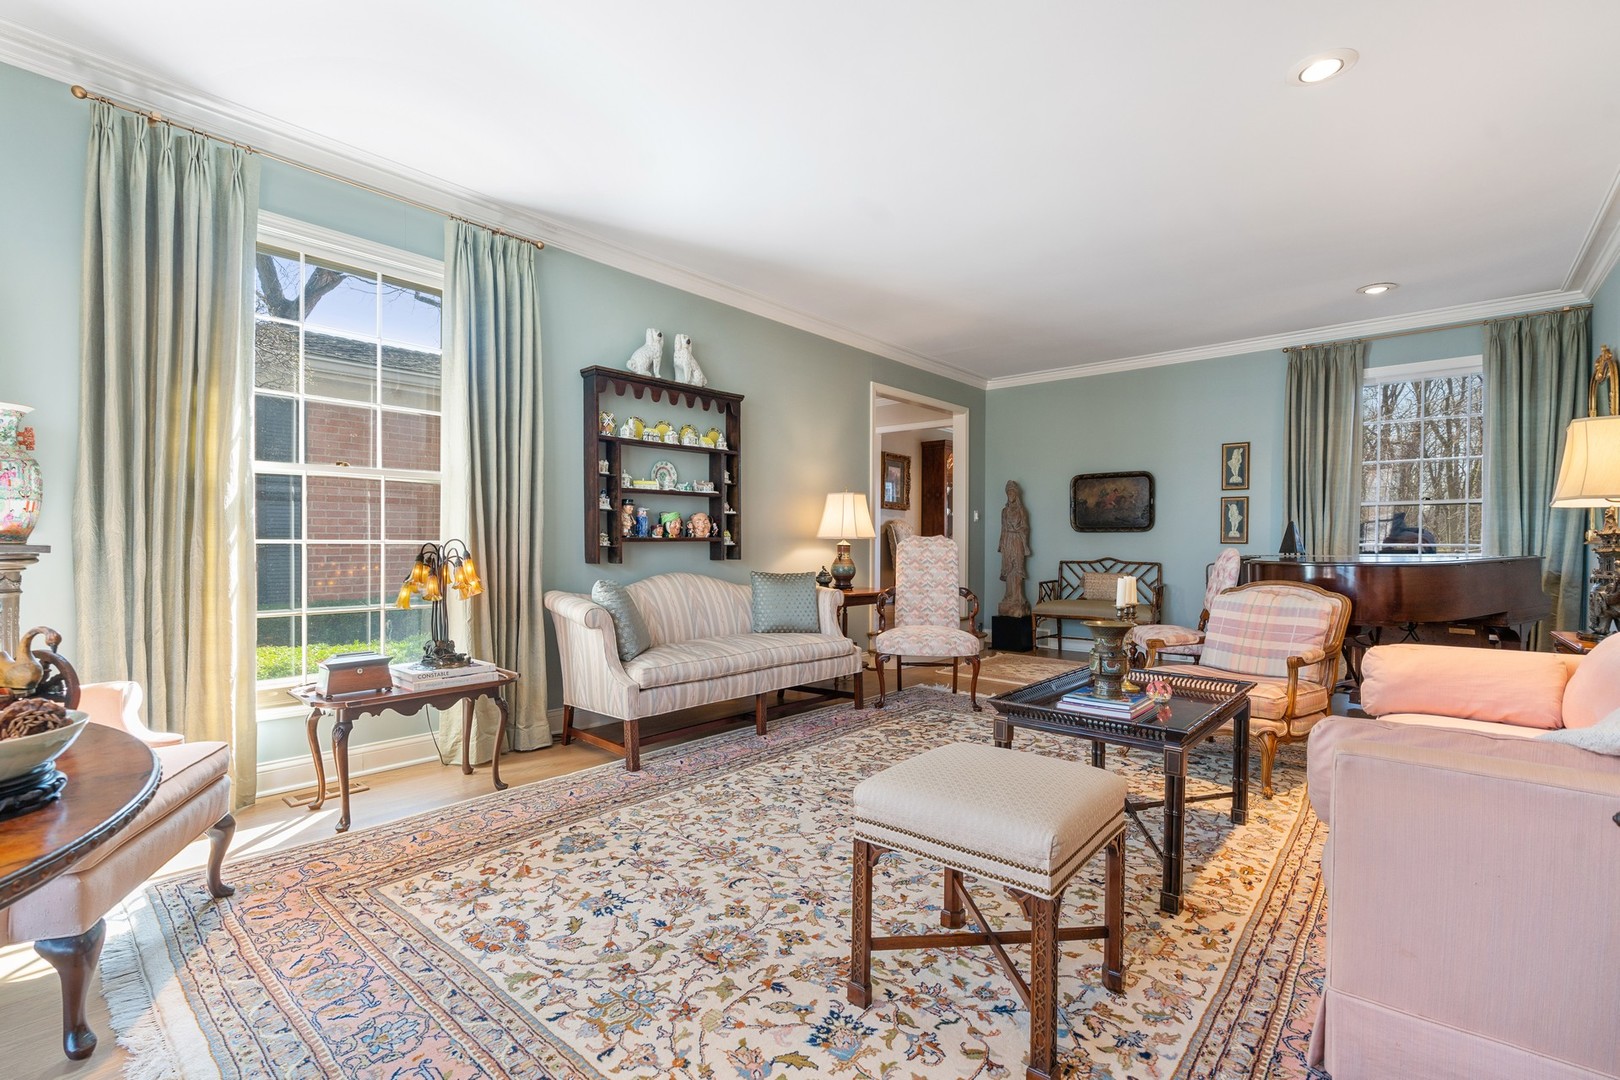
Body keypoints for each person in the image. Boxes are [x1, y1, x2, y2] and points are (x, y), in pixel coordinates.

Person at [998, 480, 1031, 617]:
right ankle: (1008, 597)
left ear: (1016, 495)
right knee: (1008, 568)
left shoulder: (1021, 510)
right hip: (1007, 541)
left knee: (1017, 568)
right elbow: (1002, 528)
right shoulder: (1004, 511)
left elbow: (1026, 527)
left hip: (1017, 540)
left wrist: (1018, 530)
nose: (1010, 495)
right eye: (1008, 492)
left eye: (1012, 492)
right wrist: (1001, 544)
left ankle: (1018, 598)